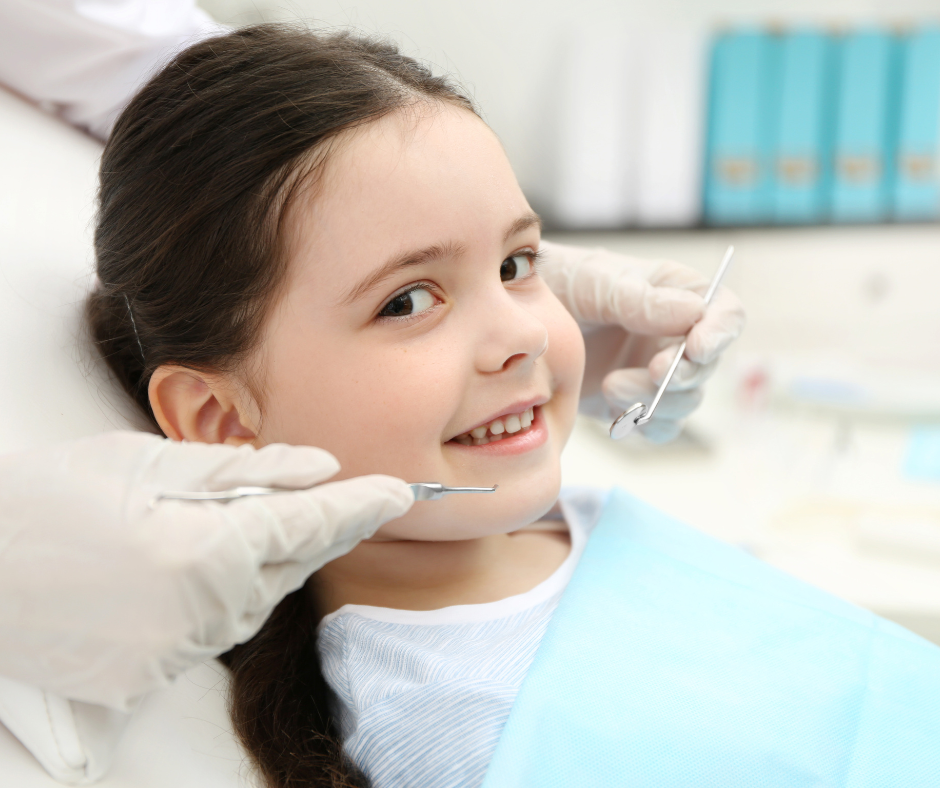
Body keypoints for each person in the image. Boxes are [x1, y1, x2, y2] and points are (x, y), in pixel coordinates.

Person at [0, 2, 744, 780]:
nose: (523, 336)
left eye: (517, 264)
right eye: (408, 301)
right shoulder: (464, 734)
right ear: (221, 417)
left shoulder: (583, 528)